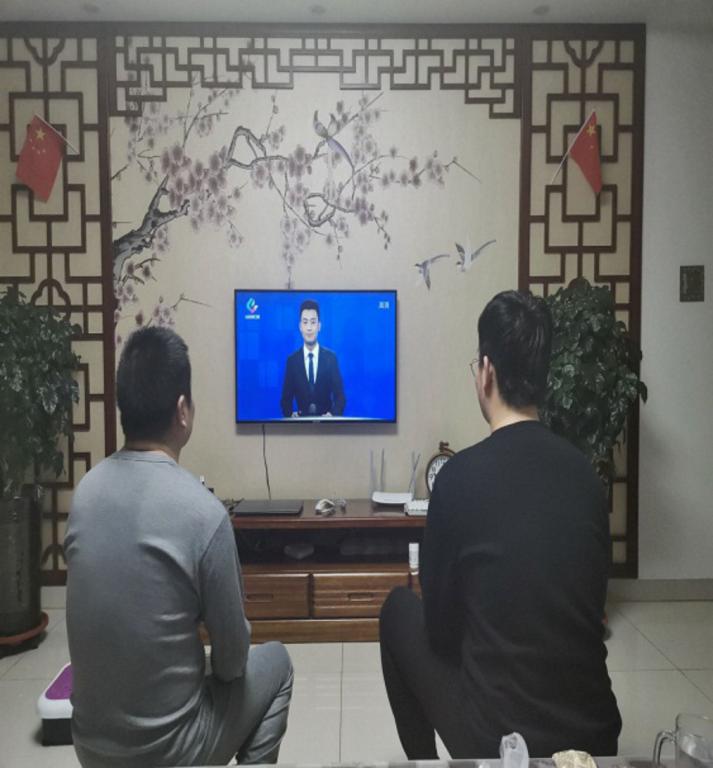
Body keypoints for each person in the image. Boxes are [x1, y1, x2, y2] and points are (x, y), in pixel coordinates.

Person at [379, 290, 621, 759]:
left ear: (486, 371)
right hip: (594, 735)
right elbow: (593, 609)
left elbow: (440, 630)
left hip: (501, 743)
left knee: (396, 611)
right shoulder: (586, 477)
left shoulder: (457, 478)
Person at [65, 327, 293, 768]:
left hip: (90, 747)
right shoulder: (203, 514)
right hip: (172, 752)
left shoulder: (84, 494)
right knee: (278, 663)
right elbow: (232, 661)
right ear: (182, 410)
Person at [280, 299, 346, 417]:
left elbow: (340, 397)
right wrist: (290, 415)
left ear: (319, 326)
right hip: (300, 426)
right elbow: (285, 400)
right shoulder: (292, 361)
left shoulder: (331, 358)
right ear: (300, 326)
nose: (309, 328)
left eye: (313, 322)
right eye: (305, 322)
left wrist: (332, 415)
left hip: (327, 426)